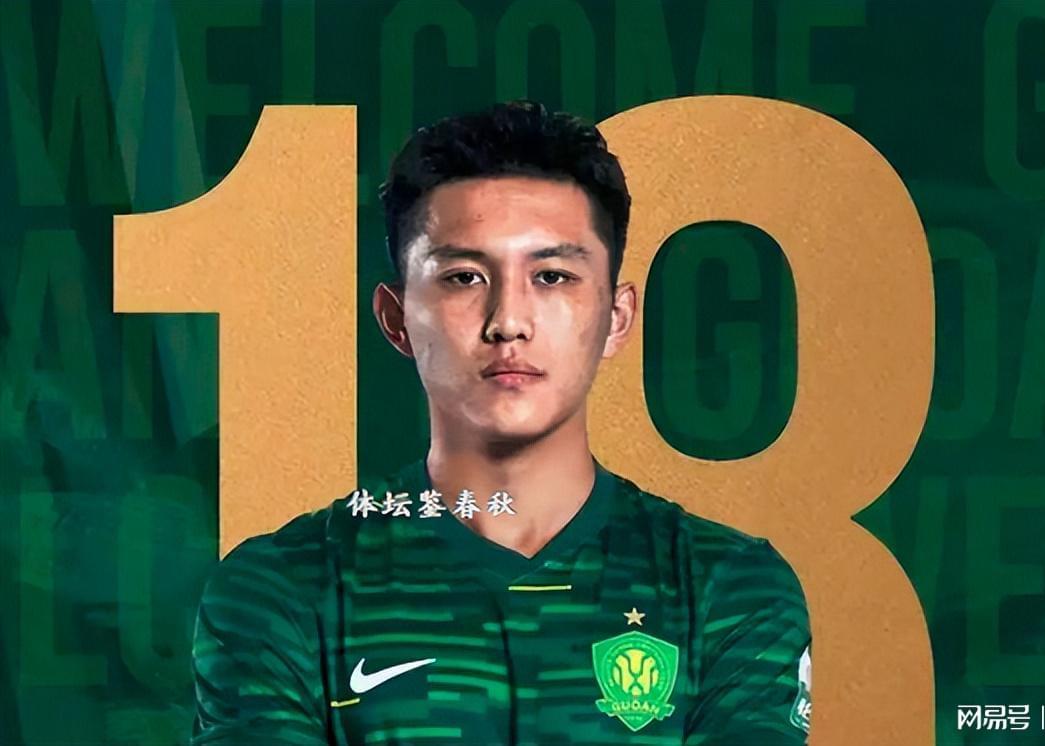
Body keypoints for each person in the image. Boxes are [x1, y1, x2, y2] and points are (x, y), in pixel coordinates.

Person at [190, 100, 812, 745]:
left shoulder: (726, 586)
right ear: (396, 319)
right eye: (463, 277)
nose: (508, 321)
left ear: (617, 317)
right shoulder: (283, 589)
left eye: (553, 276)